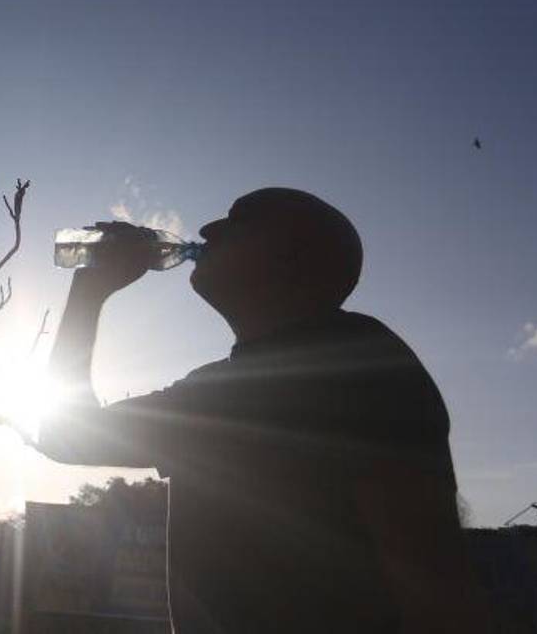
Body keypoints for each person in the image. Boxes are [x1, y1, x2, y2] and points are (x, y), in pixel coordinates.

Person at [37, 187, 488, 633]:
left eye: (239, 219)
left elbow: (431, 578)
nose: (210, 228)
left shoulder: (348, 365)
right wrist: (89, 288)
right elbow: (65, 436)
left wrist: (90, 293)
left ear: (293, 257)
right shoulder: (225, 388)